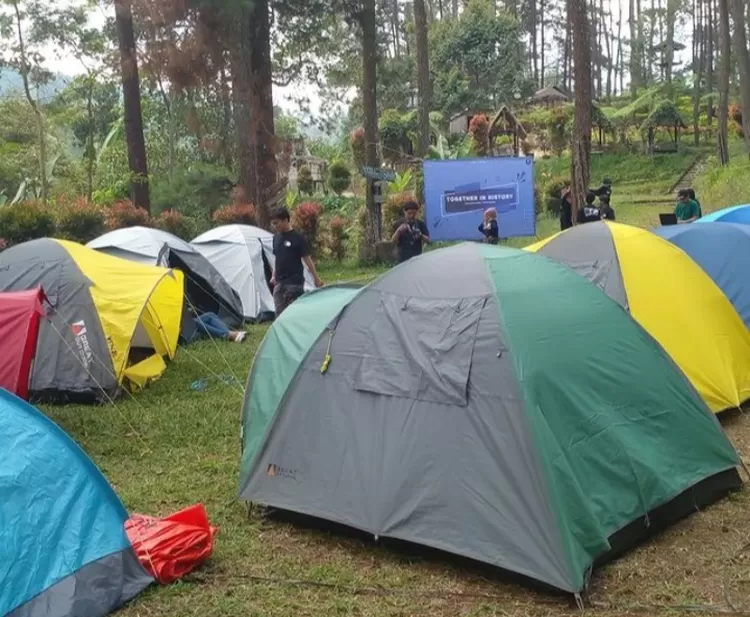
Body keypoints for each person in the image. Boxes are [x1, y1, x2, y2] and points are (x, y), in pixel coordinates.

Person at [269, 206, 323, 317]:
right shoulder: (276, 238)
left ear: (285, 220)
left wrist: (316, 278)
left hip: (294, 282)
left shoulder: (298, 238)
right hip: (279, 282)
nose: (275, 226)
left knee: (294, 313)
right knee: (279, 313)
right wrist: (273, 275)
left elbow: (307, 259)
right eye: (273, 224)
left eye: (276, 223)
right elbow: (277, 258)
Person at [181, 311, 246, 344]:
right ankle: (228, 335)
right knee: (194, 322)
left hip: (185, 326)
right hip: (184, 336)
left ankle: (229, 333)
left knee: (210, 315)